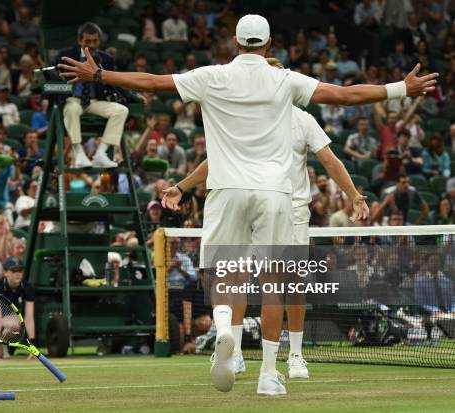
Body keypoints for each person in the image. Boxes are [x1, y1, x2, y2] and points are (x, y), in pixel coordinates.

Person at [58, 13, 437, 396]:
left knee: (225, 276)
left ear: (236, 44)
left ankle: (226, 332)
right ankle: (269, 375)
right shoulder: (285, 80)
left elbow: (153, 83)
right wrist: (399, 88)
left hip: (225, 191)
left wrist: (100, 76)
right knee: (274, 283)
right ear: (269, 44)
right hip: (274, 193)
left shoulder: (211, 76)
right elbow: (344, 93)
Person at [161, 59, 368, 380]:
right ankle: (237, 354)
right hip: (251, 205)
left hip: (292, 210)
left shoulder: (303, 120)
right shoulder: (244, 120)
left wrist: (353, 194)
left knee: (290, 285)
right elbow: (214, 160)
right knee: (238, 277)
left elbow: (329, 159)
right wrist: (182, 186)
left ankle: (296, 355)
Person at [56, 22, 131, 169]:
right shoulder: (66, 56)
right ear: (80, 41)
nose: (91, 45)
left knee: (121, 110)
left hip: (95, 101)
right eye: (87, 41)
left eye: (95, 41)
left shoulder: (106, 59)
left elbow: (115, 82)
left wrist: (133, 96)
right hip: (73, 99)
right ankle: (79, 154)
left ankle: (101, 154)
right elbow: (54, 77)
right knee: (71, 109)